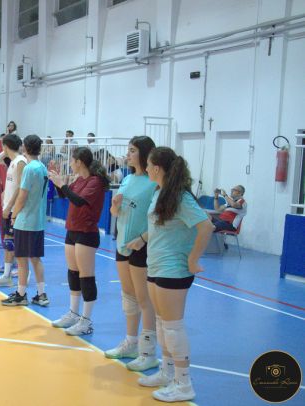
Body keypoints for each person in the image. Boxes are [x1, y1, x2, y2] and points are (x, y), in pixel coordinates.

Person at [135, 146, 214, 402]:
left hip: (174, 269)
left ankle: (184, 384)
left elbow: (206, 226)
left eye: (149, 165)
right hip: (156, 265)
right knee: (162, 324)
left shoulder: (181, 196)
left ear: (157, 168)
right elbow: (158, 227)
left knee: (172, 327)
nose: (146, 168)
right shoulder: (160, 193)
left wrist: (193, 259)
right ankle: (167, 373)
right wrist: (141, 240)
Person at [104, 136, 159, 372]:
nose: (128, 154)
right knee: (128, 295)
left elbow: (159, 219)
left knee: (144, 299)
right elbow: (115, 212)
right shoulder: (126, 179)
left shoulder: (153, 183)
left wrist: (143, 238)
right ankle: (131, 343)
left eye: (133, 150)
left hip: (142, 245)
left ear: (144, 154)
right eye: (128, 150)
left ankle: (148, 352)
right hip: (122, 243)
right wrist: (115, 207)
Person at [48, 147, 110, 335]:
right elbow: (65, 196)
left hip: (86, 232)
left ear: (79, 162)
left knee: (86, 276)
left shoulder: (95, 181)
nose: (70, 164)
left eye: (72, 161)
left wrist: (62, 184)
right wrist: (57, 183)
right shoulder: (79, 180)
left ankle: (86, 321)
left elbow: (79, 201)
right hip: (72, 230)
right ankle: (73, 313)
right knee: (73, 273)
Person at [1, 134, 49, 307]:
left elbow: (22, 196)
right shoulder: (42, 167)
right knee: (36, 258)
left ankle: (21, 295)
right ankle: (42, 294)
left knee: (21, 259)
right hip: (38, 220)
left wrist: (14, 215)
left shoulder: (29, 169)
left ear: (25, 147)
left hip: (25, 220)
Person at [0, 134, 27, 287]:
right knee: (8, 242)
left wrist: (10, 206)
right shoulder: (13, 162)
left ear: (5, 146)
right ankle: (7, 275)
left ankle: (22, 274)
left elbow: (21, 187)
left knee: (16, 243)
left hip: (15, 210)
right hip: (9, 208)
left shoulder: (20, 162)